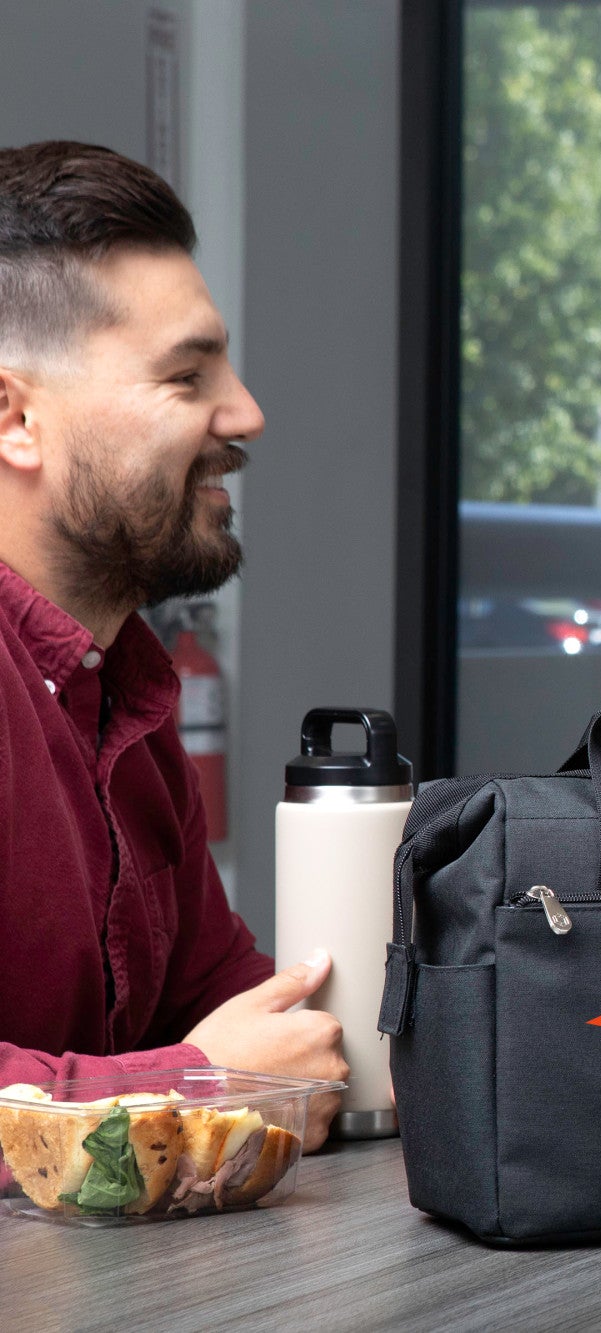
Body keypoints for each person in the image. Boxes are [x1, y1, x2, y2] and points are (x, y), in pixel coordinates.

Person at [0, 142, 345, 1147]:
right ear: (15, 416)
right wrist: (202, 1083)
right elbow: (226, 1060)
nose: (244, 413)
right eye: (188, 375)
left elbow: (242, 1013)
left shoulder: (125, 691)